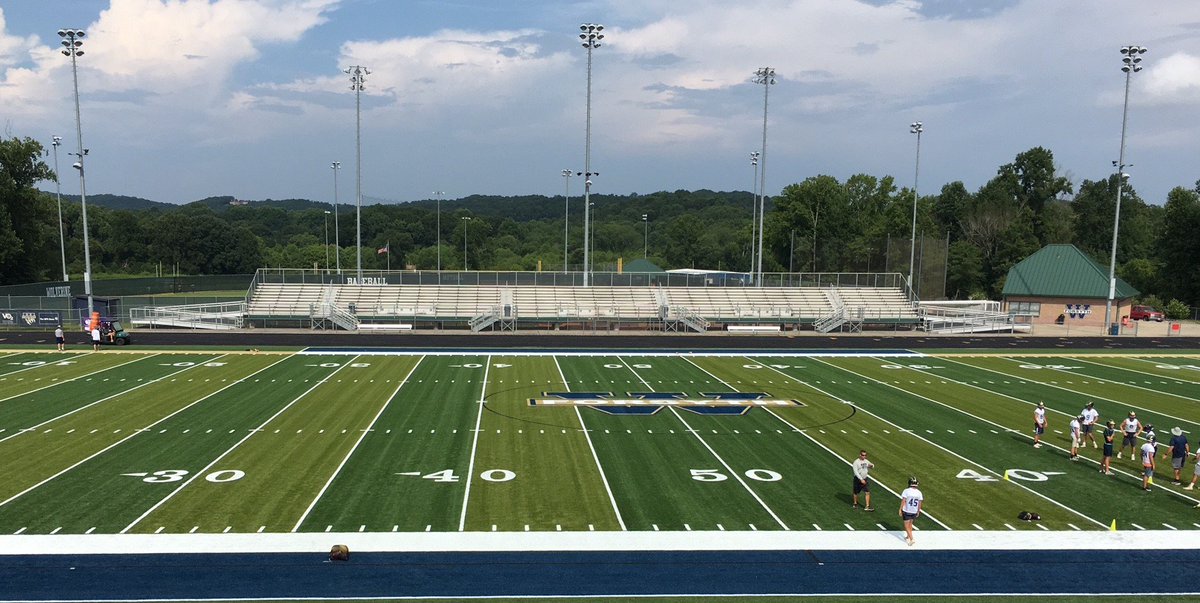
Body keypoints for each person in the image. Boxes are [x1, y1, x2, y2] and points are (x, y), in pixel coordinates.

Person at [899, 477, 923, 546]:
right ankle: (908, 536)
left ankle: (912, 539)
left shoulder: (906, 491)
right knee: (910, 524)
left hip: (907, 510)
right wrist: (918, 511)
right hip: (914, 511)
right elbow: (919, 503)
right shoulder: (919, 492)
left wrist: (900, 509)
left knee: (906, 525)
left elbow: (903, 500)